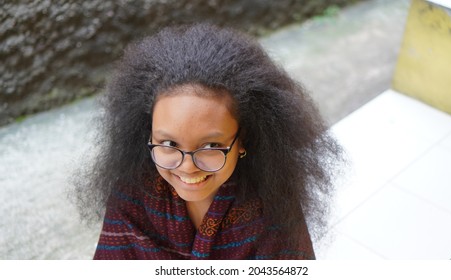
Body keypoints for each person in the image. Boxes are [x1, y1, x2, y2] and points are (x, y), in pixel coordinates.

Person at [74, 23, 344, 260]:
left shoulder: (273, 205)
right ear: (147, 134)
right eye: (168, 144)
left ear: (243, 140)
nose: (188, 167)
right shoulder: (131, 195)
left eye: (211, 147)